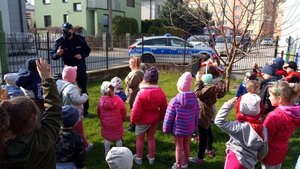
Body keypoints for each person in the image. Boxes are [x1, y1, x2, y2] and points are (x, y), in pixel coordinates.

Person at [0, 58, 62, 169]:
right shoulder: (43, 139)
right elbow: (54, 110)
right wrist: (47, 79)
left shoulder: (3, 146)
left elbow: (54, 110)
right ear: (34, 119)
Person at [215, 94, 268, 169]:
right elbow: (264, 149)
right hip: (250, 162)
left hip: (234, 160)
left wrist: (228, 105)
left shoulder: (238, 127)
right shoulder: (263, 129)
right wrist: (259, 157)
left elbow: (219, 121)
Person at [50, 22, 91, 117]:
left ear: (72, 30)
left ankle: (85, 111)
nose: (65, 33)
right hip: (68, 72)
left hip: (80, 69)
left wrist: (82, 55)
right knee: (68, 91)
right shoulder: (60, 41)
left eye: (67, 31)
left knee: (82, 89)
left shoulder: (80, 39)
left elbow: (87, 50)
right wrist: (57, 53)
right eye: (63, 31)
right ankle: (69, 111)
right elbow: (53, 56)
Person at [130, 67, 167, 165]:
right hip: (154, 120)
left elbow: (136, 109)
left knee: (140, 139)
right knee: (151, 138)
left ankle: (138, 158)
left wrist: (134, 120)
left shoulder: (141, 93)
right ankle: (151, 158)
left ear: (145, 79)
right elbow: (164, 108)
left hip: (141, 121)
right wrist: (160, 118)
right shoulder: (161, 93)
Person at [190, 64, 226, 165]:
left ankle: (200, 158)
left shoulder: (210, 87)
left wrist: (198, 81)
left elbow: (197, 93)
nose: (200, 76)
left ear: (207, 77)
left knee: (203, 133)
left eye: (201, 75)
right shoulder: (213, 84)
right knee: (207, 129)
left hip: (204, 112)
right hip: (207, 110)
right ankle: (208, 148)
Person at [163, 72, 200, 169]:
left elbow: (169, 116)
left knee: (179, 147)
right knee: (187, 144)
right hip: (189, 128)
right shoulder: (195, 100)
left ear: (179, 87)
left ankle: (178, 166)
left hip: (178, 130)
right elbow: (197, 115)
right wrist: (195, 126)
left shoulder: (174, 101)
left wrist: (166, 129)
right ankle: (185, 163)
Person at [262, 81, 300, 169]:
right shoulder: (295, 113)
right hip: (282, 149)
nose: (268, 98)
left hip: (269, 152)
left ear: (279, 99)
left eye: (270, 95)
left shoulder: (273, 116)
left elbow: (265, 138)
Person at [56, 65, 93, 152]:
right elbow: (78, 100)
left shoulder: (59, 83)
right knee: (80, 131)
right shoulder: (72, 88)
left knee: (66, 131)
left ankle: (68, 145)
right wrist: (85, 96)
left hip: (64, 112)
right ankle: (85, 146)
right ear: (74, 76)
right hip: (74, 114)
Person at [97, 81, 126, 156]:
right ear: (113, 90)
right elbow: (123, 110)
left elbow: (98, 111)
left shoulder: (101, 101)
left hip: (106, 123)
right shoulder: (119, 100)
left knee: (107, 138)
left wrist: (101, 118)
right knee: (118, 138)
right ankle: (119, 153)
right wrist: (122, 119)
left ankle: (107, 153)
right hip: (117, 122)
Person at [125, 57, 144, 132]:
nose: (129, 66)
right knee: (136, 109)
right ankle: (137, 123)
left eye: (130, 64)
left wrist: (127, 78)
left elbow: (130, 84)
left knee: (133, 110)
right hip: (136, 94)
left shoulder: (135, 74)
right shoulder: (140, 72)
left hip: (133, 95)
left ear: (134, 65)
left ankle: (133, 125)